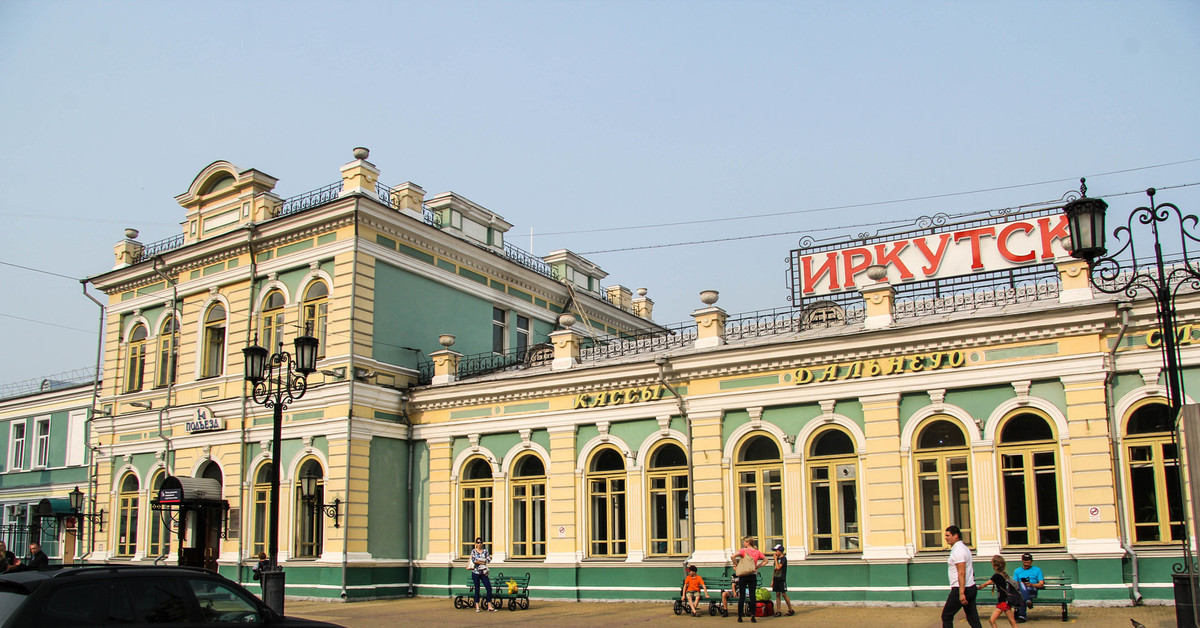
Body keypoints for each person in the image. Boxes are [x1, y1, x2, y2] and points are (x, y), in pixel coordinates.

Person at [940, 526, 982, 628]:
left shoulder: (958, 550)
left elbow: (961, 572)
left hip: (961, 588)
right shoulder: (963, 548)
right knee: (972, 617)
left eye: (948, 535)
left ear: (956, 536)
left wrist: (961, 593)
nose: (946, 538)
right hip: (970, 587)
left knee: (946, 616)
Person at [731, 536, 767, 623]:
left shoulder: (744, 550)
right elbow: (766, 560)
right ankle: (753, 616)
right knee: (752, 596)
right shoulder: (757, 552)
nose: (743, 543)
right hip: (753, 574)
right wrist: (757, 566)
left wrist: (737, 565)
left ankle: (740, 616)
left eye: (744, 542)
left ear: (747, 542)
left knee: (742, 596)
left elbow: (732, 556)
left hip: (743, 575)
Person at [984, 555, 1019, 628]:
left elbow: (985, 584)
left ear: (994, 565)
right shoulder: (1004, 574)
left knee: (992, 620)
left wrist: (976, 588)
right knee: (1012, 622)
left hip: (1003, 603)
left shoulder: (996, 576)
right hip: (1006, 601)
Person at [1012, 552, 1044, 623]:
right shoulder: (1017, 571)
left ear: (1031, 562)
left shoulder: (1037, 570)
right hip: (1021, 591)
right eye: (1025, 562)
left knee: (1022, 594)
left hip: (1032, 590)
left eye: (1028, 562)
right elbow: (1014, 584)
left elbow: (1041, 584)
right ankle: (1027, 601)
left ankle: (1022, 616)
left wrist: (1031, 585)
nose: (1026, 564)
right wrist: (1021, 584)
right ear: (1022, 561)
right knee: (1021, 586)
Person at [468, 537, 496, 612]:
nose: (479, 544)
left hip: (483, 572)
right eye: (478, 542)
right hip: (476, 573)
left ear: (482, 543)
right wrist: (482, 562)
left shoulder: (485, 551)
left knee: (489, 588)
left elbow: (488, 560)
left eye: (480, 542)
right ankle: (477, 606)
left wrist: (481, 561)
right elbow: (474, 561)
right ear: (475, 544)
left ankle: (489, 605)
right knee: (477, 589)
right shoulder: (473, 551)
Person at [771, 544, 795, 617]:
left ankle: (790, 609)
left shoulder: (783, 559)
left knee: (783, 594)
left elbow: (778, 568)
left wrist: (775, 559)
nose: (775, 553)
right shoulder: (777, 559)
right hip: (776, 579)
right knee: (777, 594)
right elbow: (775, 570)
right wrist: (772, 580)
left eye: (776, 551)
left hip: (781, 579)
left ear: (780, 551)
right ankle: (778, 611)